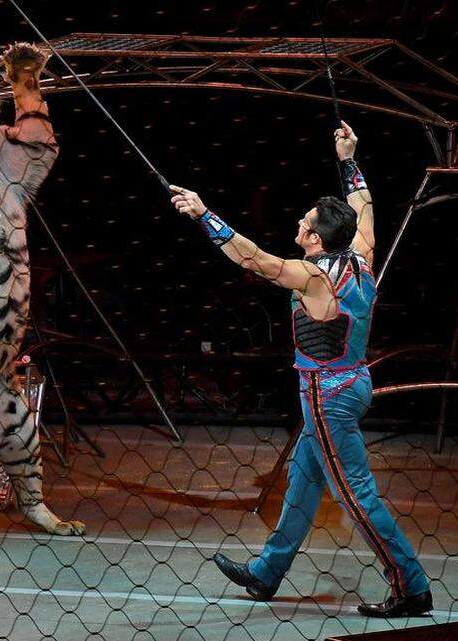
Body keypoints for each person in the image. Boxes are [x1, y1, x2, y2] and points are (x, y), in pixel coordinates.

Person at [169, 121, 433, 618]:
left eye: (305, 221)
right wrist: (349, 158)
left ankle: (410, 586)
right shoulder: (362, 257)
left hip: (326, 395)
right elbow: (364, 209)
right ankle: (268, 572)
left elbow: (257, 261)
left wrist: (205, 215)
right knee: (303, 481)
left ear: (314, 239)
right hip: (352, 384)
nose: (298, 223)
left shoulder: (314, 278)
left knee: (356, 496)